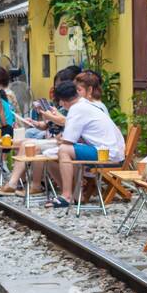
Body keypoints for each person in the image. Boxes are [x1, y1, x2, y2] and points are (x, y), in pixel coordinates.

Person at [49, 80, 124, 209]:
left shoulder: (76, 109)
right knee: (66, 151)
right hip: (111, 151)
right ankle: (77, 195)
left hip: (106, 154)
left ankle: (66, 195)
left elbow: (67, 142)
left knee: (63, 151)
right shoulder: (84, 104)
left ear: (63, 101)